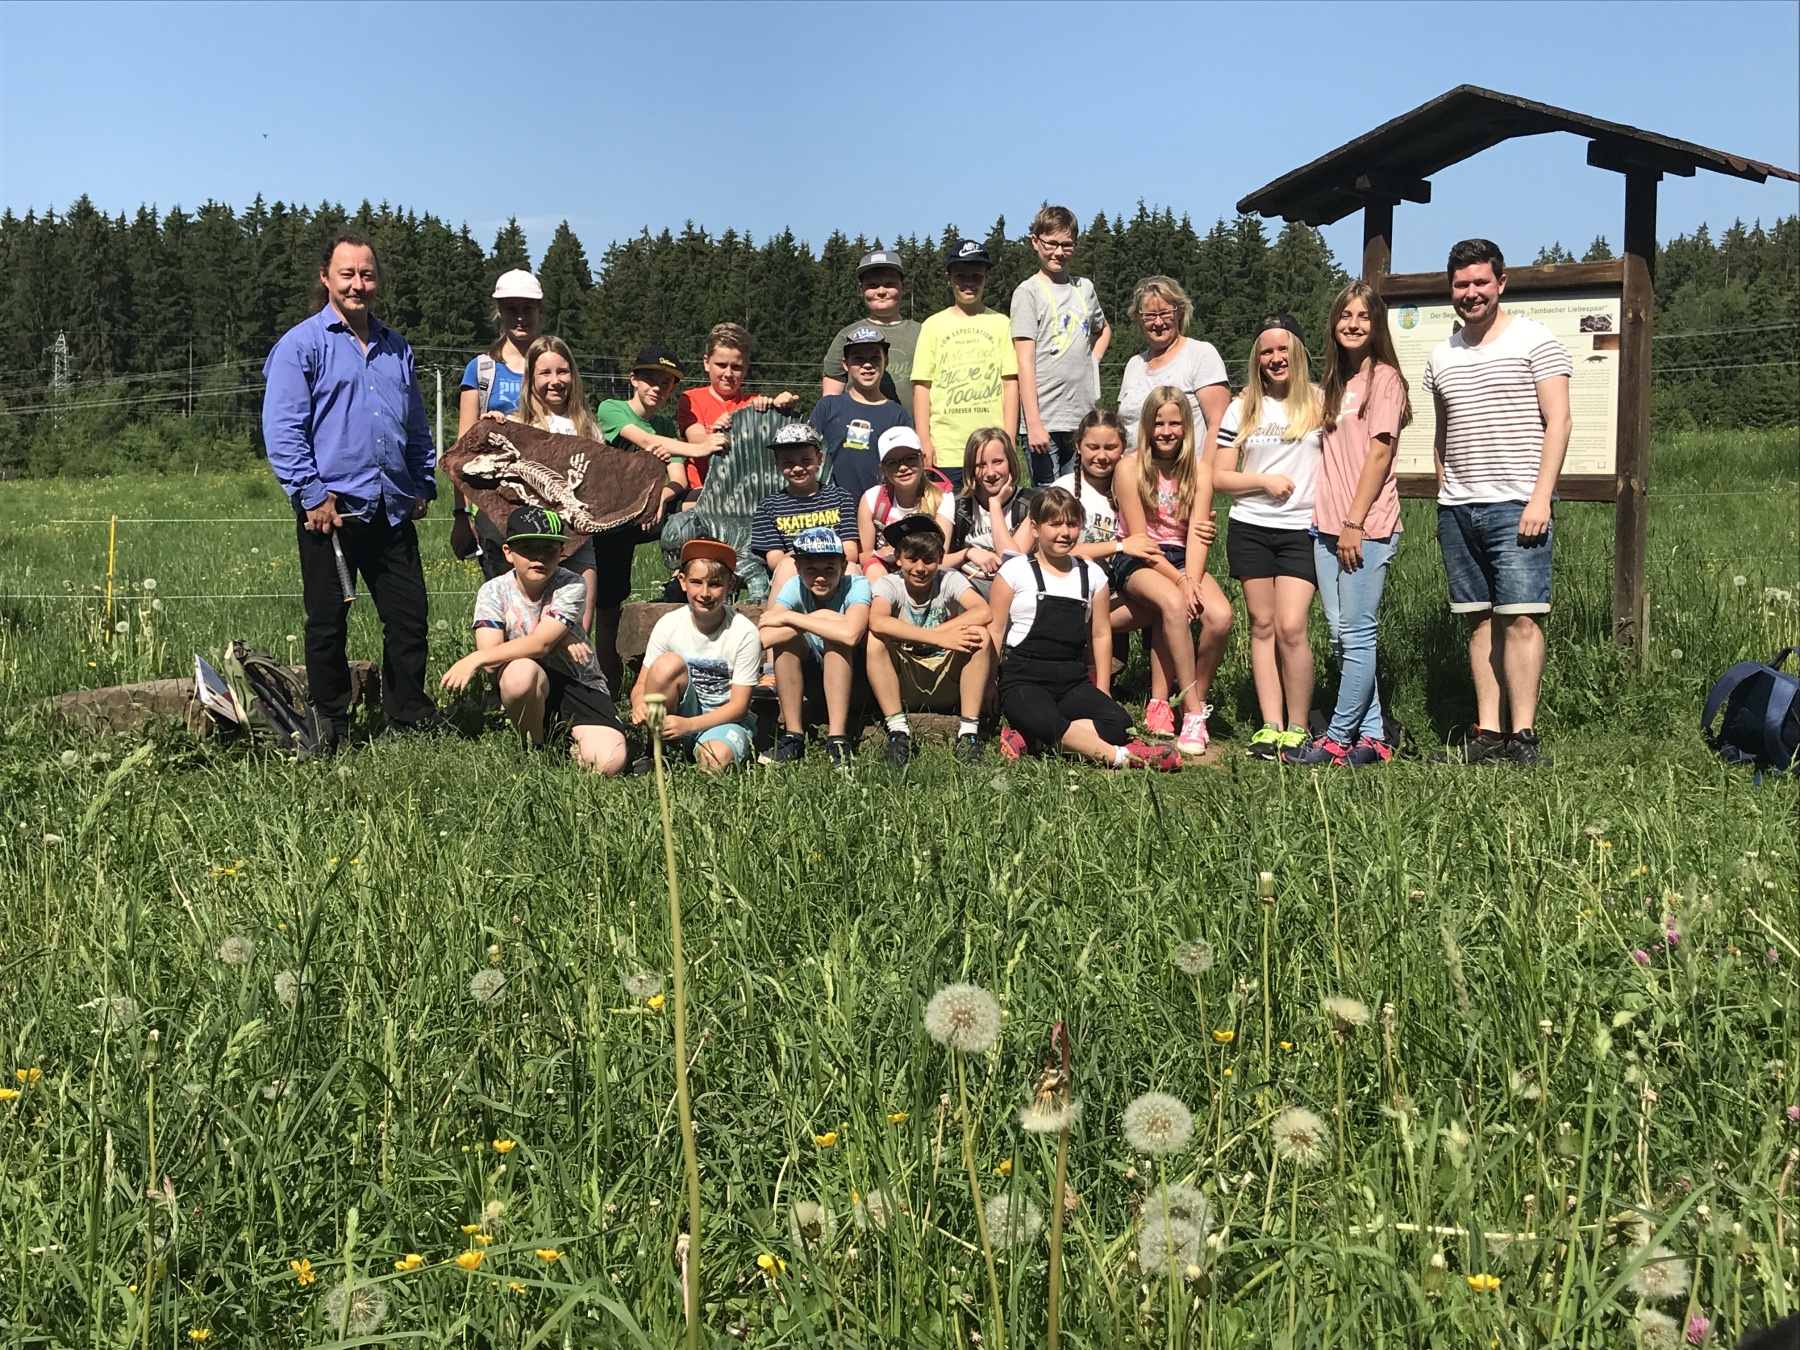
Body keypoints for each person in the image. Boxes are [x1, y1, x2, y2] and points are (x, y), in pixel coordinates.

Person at [262, 231, 437, 749]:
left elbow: (415, 422)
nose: (358, 284)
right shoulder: (301, 345)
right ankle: (330, 724)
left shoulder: (396, 346)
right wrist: (310, 494)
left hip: (392, 507)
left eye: (367, 274)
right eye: (347, 274)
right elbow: (283, 429)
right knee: (327, 624)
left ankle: (407, 720)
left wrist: (422, 480)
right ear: (326, 278)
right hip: (331, 512)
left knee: (409, 620)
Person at [1425, 239, 1572, 767]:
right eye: (1461, 284)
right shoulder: (1442, 355)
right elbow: (1443, 433)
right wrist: (1445, 491)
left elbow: (1559, 421)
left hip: (1518, 503)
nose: (1471, 293)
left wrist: (1540, 499)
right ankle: (1487, 734)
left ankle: (1523, 737)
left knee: (1522, 619)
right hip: (1459, 508)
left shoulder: (1536, 340)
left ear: (1501, 283)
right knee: (1479, 621)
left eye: (1481, 282)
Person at [1291, 281, 1412, 767]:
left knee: (1358, 633)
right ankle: (1374, 734)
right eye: (1345, 315)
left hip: (1365, 526)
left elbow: (1379, 454)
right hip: (1326, 526)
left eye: (1363, 316)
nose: (1353, 324)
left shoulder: (1386, 379)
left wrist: (1354, 523)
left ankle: (1337, 737)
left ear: (1376, 324)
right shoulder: (1335, 383)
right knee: (1341, 634)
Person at [988, 487, 1180, 772]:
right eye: (1055, 524)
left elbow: (1100, 634)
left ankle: (1030, 740)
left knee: (1118, 723)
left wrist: (1103, 689)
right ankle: (1126, 758)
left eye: (1072, 524)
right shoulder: (1015, 571)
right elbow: (996, 630)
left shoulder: (1091, 575)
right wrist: (989, 685)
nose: (1064, 532)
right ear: (1035, 528)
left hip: (1071, 680)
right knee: (1043, 717)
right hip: (1023, 678)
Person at [439, 506, 628, 776]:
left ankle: (563, 736)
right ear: (508, 552)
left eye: (549, 549)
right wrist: (558, 637)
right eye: (528, 548)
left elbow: (535, 645)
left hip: (578, 682)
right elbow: (494, 662)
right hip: (529, 681)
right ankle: (535, 748)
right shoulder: (493, 591)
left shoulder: (572, 585)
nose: (539, 557)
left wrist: (476, 658)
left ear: (562, 552)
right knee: (520, 673)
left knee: (608, 764)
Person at [1054, 410, 1202, 749]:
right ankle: (1093, 678)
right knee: (1166, 603)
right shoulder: (1064, 490)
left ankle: (1161, 700)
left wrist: (1202, 524)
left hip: (1117, 588)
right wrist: (1119, 545)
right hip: (1074, 594)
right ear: (1078, 447)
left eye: (1111, 447)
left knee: (1169, 604)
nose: (1101, 456)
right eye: (1092, 447)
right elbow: (1055, 550)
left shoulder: (1131, 482)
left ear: (1124, 447)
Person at [1214, 314, 1325, 762]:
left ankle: (1298, 727)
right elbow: (1220, 476)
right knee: (1262, 626)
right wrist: (1262, 481)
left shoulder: (1321, 402)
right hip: (1251, 527)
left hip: (1303, 529)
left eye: (1283, 349)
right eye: (1267, 351)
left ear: (1298, 351)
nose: (1276, 359)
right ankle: (1270, 725)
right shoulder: (1242, 408)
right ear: (1256, 358)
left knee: (1291, 627)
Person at [505, 335, 628, 697]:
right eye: (545, 373)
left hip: (580, 541)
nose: (554, 381)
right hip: (535, 544)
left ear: (573, 374)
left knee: (578, 628)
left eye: (562, 371)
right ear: (531, 378)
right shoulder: (516, 423)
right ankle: (532, 699)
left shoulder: (588, 427)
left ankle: (574, 702)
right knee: (531, 623)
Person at [1117, 387, 1233, 756]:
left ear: (1186, 426)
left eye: (1174, 423)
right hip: (1140, 557)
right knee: (1173, 603)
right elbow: (1140, 540)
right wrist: (1181, 582)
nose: (1166, 432)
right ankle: (1194, 715)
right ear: (1146, 427)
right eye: (1158, 423)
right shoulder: (1129, 467)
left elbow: (1197, 531)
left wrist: (1193, 581)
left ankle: (1190, 697)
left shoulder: (1200, 470)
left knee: (1220, 617)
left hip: (1184, 556)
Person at [866, 516, 992, 767]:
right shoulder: (889, 583)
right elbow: (877, 621)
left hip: (946, 676)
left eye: (928, 560)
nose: (920, 568)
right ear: (898, 558)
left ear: (941, 558)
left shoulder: (949, 579)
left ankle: (968, 732)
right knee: (875, 640)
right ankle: (898, 732)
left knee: (980, 635)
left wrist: (938, 634)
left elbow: (983, 611)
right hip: (904, 680)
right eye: (912, 559)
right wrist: (937, 637)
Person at [631, 538, 761, 774]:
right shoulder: (669, 624)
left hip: (724, 721)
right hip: (679, 716)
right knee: (667, 664)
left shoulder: (745, 633)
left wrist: (689, 725)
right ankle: (655, 749)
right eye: (696, 582)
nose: (704, 593)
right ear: (682, 581)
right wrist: (639, 703)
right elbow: (641, 684)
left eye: (715, 584)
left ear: (730, 585)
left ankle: (709, 748)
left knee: (715, 761)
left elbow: (739, 706)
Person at [1011, 206, 1111, 486]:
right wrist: (1033, 423)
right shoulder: (1028, 293)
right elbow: (1024, 361)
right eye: (1051, 244)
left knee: (1079, 493)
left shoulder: (1084, 288)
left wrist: (1092, 361)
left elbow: (1103, 329)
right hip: (1045, 419)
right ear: (1035, 242)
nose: (1059, 252)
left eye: (1067, 245)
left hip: (1081, 417)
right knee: (1048, 497)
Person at [453, 269, 543, 577]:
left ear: (540, 310)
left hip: (546, 499)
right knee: (502, 589)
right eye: (511, 309)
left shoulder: (555, 367)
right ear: (499, 312)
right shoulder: (481, 370)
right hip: (494, 502)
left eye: (527, 308)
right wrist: (462, 513)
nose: (520, 317)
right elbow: (462, 450)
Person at [758, 527, 871, 768]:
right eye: (811, 570)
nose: (820, 578)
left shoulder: (857, 585)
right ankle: (793, 735)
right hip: (814, 678)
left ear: (843, 566)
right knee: (786, 642)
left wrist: (796, 618)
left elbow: (851, 635)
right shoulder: (794, 586)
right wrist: (824, 619)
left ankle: (837, 738)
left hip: (856, 681)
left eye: (829, 569)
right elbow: (766, 637)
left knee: (837, 641)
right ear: (798, 568)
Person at [911, 240, 1018, 489]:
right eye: (961, 276)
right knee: (948, 511)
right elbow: (922, 386)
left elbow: (1010, 384)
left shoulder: (1002, 324)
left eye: (976, 277)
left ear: (986, 278)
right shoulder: (933, 326)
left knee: (994, 510)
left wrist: (1009, 439)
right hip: (946, 449)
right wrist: (924, 439)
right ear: (949, 279)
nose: (969, 283)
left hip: (991, 450)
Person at [676, 322, 799, 492]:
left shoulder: (756, 403)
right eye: (721, 365)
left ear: (746, 367)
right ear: (706, 362)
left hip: (744, 492)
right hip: (700, 490)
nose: (728, 374)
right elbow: (695, 438)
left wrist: (779, 411)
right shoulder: (691, 399)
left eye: (736, 367)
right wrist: (715, 435)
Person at [1116, 276, 1230, 457]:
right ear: (1139, 318)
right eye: (1150, 315)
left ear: (1179, 313)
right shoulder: (1134, 364)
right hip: (1133, 471)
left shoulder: (1200, 354)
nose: (1158, 322)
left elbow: (1219, 426)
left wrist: (1207, 470)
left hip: (1185, 470)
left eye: (1165, 313)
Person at [752, 423, 860, 599]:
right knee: (786, 566)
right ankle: (776, 616)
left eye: (806, 460)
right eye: (788, 463)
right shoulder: (768, 506)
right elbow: (775, 561)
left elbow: (851, 552)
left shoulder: (841, 498)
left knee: (851, 568)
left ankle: (854, 615)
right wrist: (809, 552)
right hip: (795, 574)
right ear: (777, 463)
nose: (797, 468)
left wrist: (818, 556)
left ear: (820, 458)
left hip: (835, 572)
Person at [809, 325, 914, 503]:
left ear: (886, 361)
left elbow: (907, 467)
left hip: (881, 507)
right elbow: (805, 454)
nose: (867, 365)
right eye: (858, 358)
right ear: (845, 364)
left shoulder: (898, 415)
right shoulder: (827, 406)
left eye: (875, 358)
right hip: (830, 507)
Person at [597, 345, 691, 517]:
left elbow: (679, 479)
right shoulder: (610, 408)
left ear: (672, 389)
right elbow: (646, 440)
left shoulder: (666, 427)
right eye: (650, 380)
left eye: (665, 383)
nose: (657, 388)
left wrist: (660, 497)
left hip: (646, 501)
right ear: (634, 379)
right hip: (607, 502)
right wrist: (702, 448)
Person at [820, 249, 921, 405]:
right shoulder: (847, 335)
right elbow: (831, 396)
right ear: (861, 290)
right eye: (873, 285)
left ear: (903, 287)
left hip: (911, 422)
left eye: (889, 284)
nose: (881, 291)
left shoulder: (923, 333)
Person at [857, 427, 955, 581]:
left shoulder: (942, 497)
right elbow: (864, 556)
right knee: (874, 569)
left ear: (922, 459)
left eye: (910, 458)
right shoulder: (872, 498)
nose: (902, 467)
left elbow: (940, 555)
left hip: (925, 573)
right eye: (892, 463)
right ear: (883, 469)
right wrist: (884, 554)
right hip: (885, 574)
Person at [947, 427, 1035, 596]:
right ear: (971, 469)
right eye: (980, 465)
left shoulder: (1031, 503)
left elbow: (1013, 563)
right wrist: (968, 553)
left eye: (997, 462)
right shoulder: (955, 502)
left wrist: (995, 505)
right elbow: (935, 561)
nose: (990, 473)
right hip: (967, 586)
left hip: (1015, 590)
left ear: (1010, 461)